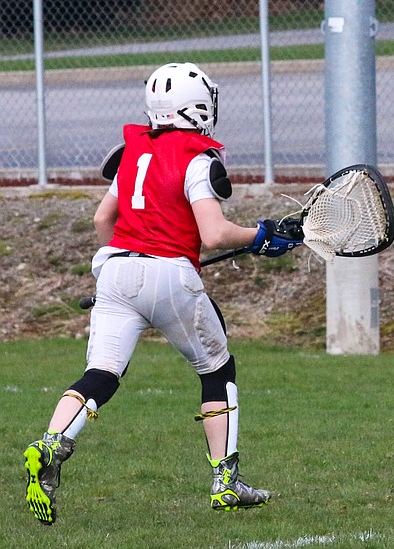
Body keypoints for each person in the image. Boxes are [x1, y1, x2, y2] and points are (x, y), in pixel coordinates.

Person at [22, 62, 303, 524]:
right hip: (169, 276)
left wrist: (132, 260)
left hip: (115, 271)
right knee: (217, 368)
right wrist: (260, 234)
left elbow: (101, 222)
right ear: (196, 108)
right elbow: (212, 234)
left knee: (101, 375)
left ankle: (52, 443)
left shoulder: (134, 153)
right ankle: (226, 483)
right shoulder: (197, 158)